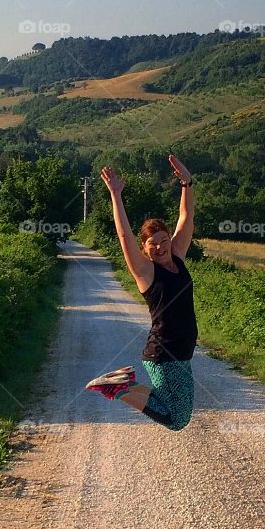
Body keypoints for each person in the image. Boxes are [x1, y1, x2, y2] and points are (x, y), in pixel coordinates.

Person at [85, 154, 197, 431]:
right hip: (164, 354)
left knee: (177, 415)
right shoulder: (146, 272)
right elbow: (124, 235)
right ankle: (119, 388)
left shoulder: (178, 258)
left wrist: (187, 183)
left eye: (163, 240)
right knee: (175, 419)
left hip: (182, 354)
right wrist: (115, 195)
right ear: (144, 249)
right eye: (151, 244)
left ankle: (123, 384)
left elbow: (186, 216)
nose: (159, 247)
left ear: (169, 240)